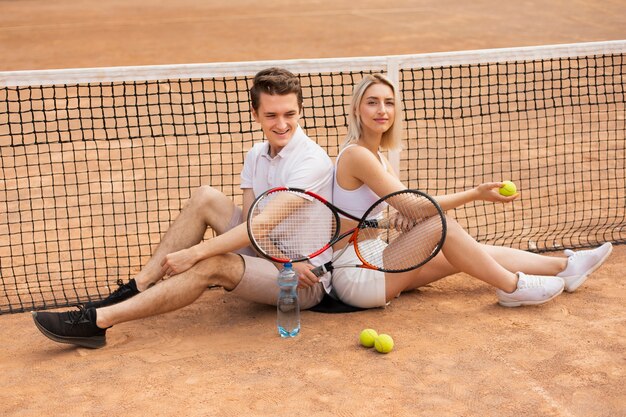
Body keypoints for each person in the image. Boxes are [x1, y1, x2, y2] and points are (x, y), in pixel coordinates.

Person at [32, 68, 334, 348]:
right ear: (255, 113)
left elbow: (261, 225)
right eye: (271, 115)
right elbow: (250, 216)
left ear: (301, 110)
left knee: (214, 263)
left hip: (300, 277)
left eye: (289, 114)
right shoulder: (256, 154)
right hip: (266, 250)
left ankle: (98, 322)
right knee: (205, 196)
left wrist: (197, 253)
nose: (281, 124)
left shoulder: (311, 161)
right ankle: (139, 285)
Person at [329, 73, 613, 309]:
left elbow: (410, 205)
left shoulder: (377, 156)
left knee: (468, 252)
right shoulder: (357, 155)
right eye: (372, 103)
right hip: (357, 276)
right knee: (441, 226)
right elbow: (415, 207)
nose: (382, 110)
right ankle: (513, 287)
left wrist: (404, 213)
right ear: (356, 109)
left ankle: (565, 268)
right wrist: (475, 193)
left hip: (378, 257)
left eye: (389, 103)